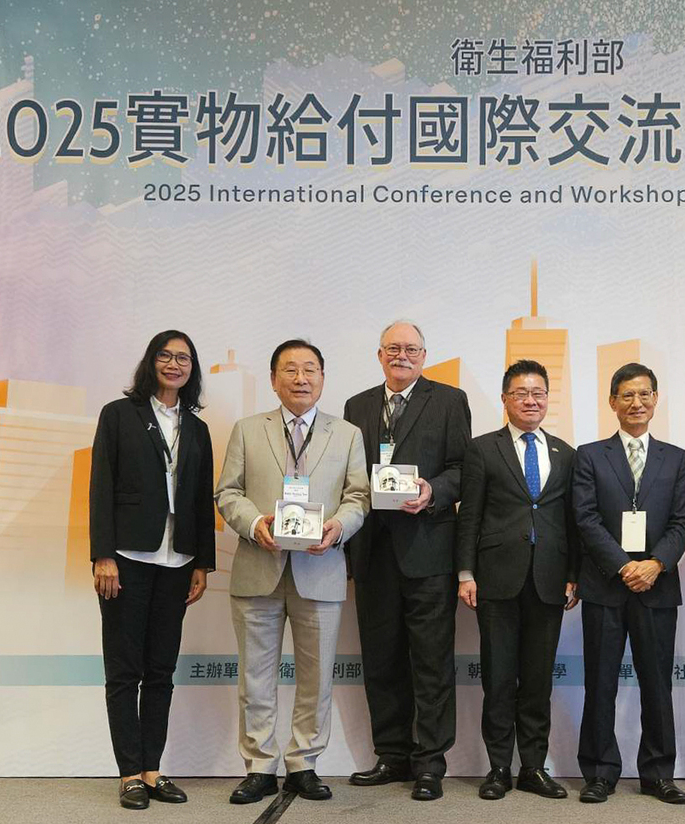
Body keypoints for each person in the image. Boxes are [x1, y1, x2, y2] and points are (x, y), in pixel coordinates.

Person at [216, 339, 369, 804]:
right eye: (290, 370)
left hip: (319, 571)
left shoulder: (347, 434)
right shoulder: (246, 429)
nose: (300, 378)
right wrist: (254, 523)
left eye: (309, 370)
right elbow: (228, 493)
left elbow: (358, 497)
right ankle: (260, 765)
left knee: (317, 677)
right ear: (273, 379)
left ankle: (304, 763)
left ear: (323, 378)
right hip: (258, 567)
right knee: (256, 677)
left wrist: (338, 528)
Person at [344, 320, 471, 801]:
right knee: (381, 657)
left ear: (425, 355)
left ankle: (430, 762)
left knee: (432, 661)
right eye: (393, 348)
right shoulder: (356, 406)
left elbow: (463, 469)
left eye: (411, 348)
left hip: (429, 549)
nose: (402, 355)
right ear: (379, 355)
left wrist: (433, 491)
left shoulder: (448, 400)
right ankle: (391, 754)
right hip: (372, 550)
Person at [90, 330, 215, 810]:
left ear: (192, 369)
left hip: (177, 560)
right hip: (126, 559)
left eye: (183, 358)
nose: (174, 364)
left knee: (161, 671)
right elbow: (100, 485)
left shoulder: (197, 427)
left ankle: (153, 769)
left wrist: (202, 561)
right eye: (165, 355)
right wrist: (103, 554)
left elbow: (201, 499)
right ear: (151, 362)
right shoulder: (120, 415)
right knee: (125, 672)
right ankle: (128, 774)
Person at [456, 360, 580, 801]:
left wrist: (572, 576)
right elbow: (468, 515)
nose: (531, 401)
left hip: (549, 581)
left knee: (538, 679)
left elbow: (571, 520)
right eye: (521, 393)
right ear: (506, 398)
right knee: (499, 677)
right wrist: (466, 572)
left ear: (548, 398)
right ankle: (498, 768)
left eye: (539, 393)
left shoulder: (566, 453)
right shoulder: (483, 449)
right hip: (496, 579)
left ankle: (533, 766)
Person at [573, 363, 685, 805]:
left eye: (644, 395)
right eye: (626, 395)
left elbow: (683, 521)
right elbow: (584, 518)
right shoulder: (590, 454)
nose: (636, 403)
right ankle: (600, 771)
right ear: (612, 402)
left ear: (656, 400)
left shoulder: (676, 458)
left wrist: (655, 563)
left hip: (657, 586)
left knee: (657, 684)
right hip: (606, 583)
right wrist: (625, 565)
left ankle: (659, 773)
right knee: (600, 681)